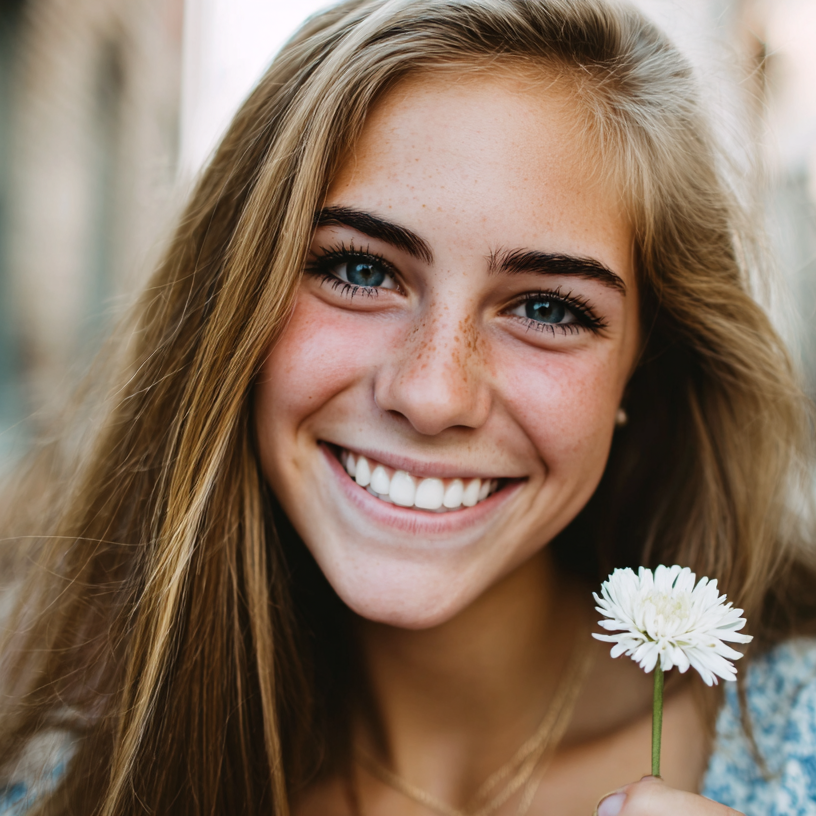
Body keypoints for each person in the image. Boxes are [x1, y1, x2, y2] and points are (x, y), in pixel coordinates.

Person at [1, 0, 816, 814]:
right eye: (358, 270)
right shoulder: (62, 778)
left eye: (547, 309)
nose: (432, 396)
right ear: (234, 299)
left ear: (643, 367)